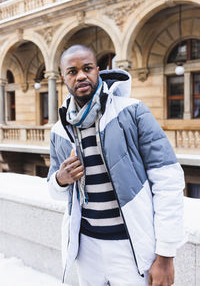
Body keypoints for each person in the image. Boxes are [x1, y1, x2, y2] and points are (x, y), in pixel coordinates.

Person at [47, 44, 185, 286]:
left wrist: (165, 255)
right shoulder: (60, 130)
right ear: (63, 78)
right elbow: (53, 189)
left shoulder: (133, 111)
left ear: (98, 71)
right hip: (86, 249)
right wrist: (61, 179)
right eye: (72, 71)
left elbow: (168, 181)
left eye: (87, 68)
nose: (81, 76)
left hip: (130, 248)